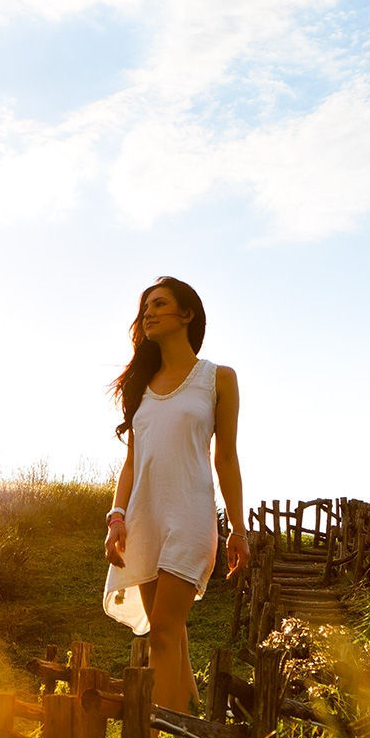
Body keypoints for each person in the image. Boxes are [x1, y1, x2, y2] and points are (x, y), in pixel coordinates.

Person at [102, 276, 249, 714]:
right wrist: (116, 517)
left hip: (190, 513)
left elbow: (226, 458)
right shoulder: (141, 386)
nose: (147, 313)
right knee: (171, 638)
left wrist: (239, 529)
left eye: (159, 304)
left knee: (165, 632)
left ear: (186, 314)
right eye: (144, 307)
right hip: (143, 517)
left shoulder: (218, 378)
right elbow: (132, 464)